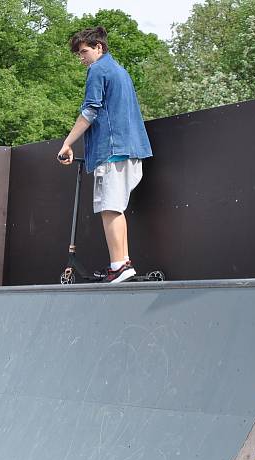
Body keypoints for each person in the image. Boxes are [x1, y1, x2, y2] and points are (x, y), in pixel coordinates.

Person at [57, 26, 153, 283]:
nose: (81, 58)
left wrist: (67, 143)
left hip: (112, 151)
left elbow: (90, 111)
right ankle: (123, 264)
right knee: (116, 208)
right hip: (133, 150)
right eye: (78, 54)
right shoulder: (120, 71)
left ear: (99, 48)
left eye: (84, 51)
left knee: (109, 208)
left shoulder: (98, 70)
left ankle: (119, 267)